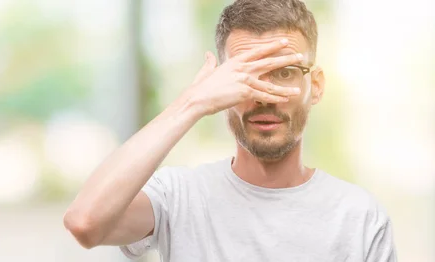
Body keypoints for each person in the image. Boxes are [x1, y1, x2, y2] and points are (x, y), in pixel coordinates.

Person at [63, 0, 397, 261]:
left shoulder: (359, 216)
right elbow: (85, 223)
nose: (265, 97)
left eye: (284, 73)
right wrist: (192, 103)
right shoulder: (179, 197)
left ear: (316, 86)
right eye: (245, 76)